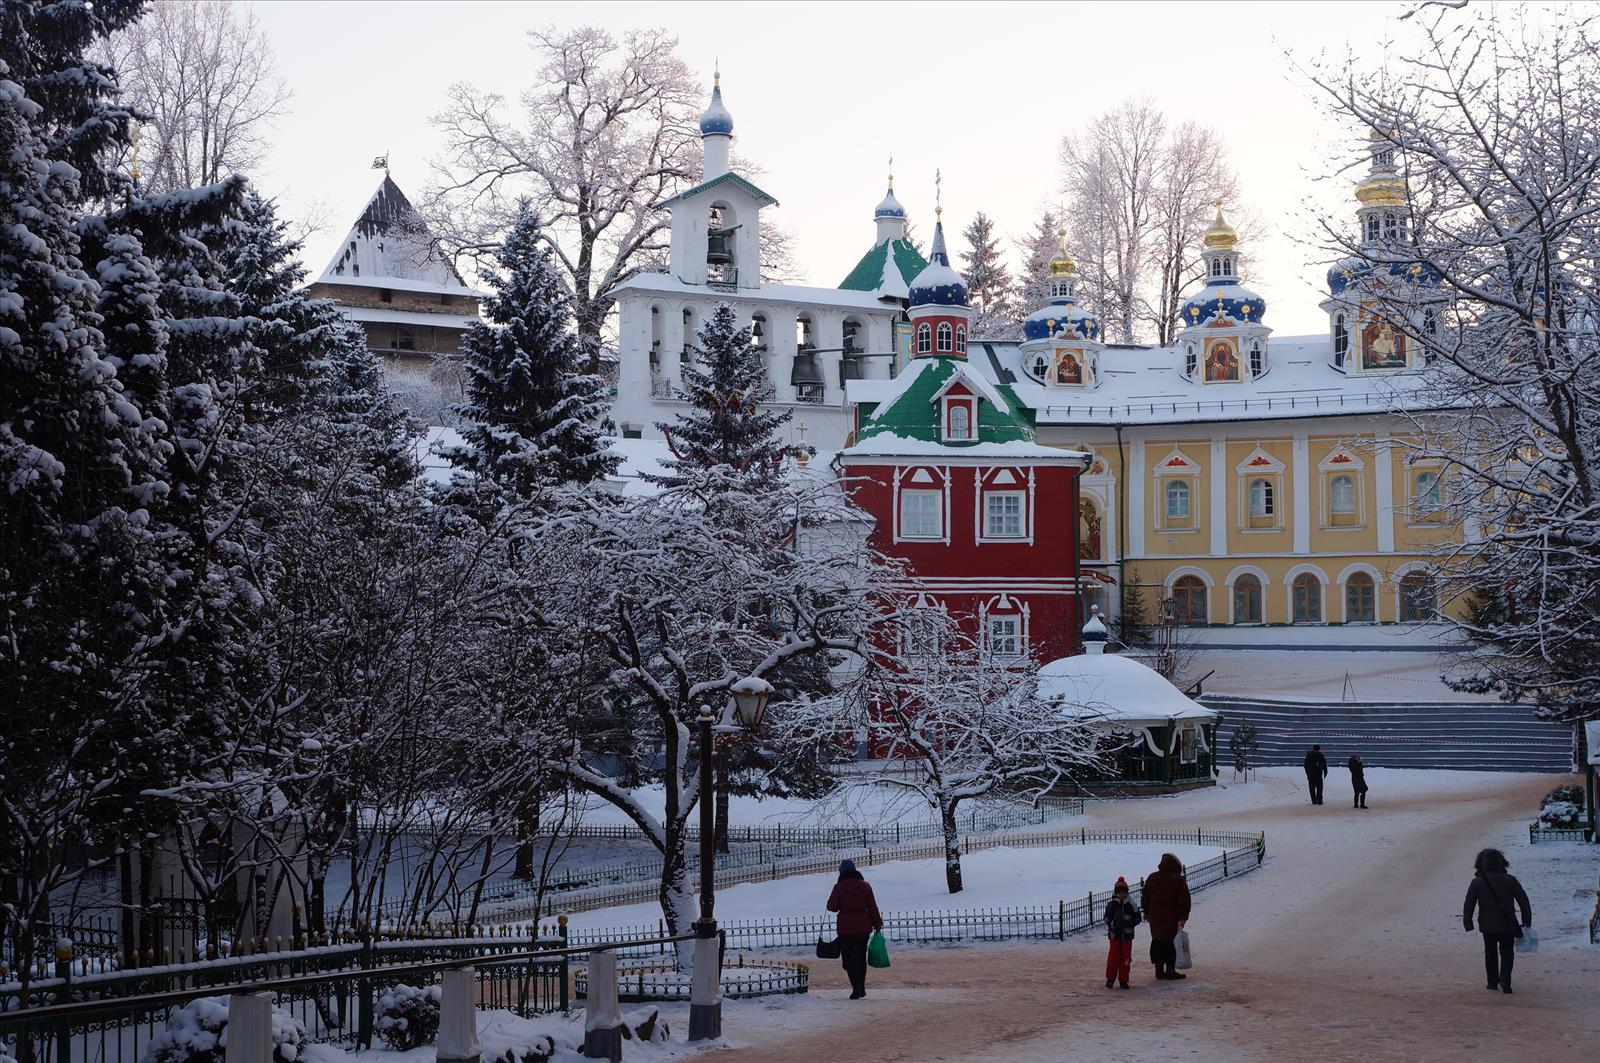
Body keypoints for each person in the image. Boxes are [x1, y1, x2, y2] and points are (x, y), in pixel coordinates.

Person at [1463, 848, 1532, 994]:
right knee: (1507, 952)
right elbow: (1523, 901)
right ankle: (1505, 979)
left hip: (1487, 925)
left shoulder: (1477, 882)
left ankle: (1492, 982)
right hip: (1508, 923)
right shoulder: (1510, 880)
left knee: (1490, 952)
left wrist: (1468, 923)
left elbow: (1469, 904)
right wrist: (1526, 921)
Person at [826, 858, 883, 1000]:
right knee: (860, 958)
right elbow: (872, 906)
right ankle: (861, 987)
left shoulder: (838, 887)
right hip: (863, 927)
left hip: (845, 929)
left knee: (848, 959)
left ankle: (856, 988)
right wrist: (877, 924)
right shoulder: (865, 886)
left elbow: (832, 907)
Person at [1141, 853, 1191, 981]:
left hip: (1155, 917)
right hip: (1170, 917)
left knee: (1157, 941)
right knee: (1168, 943)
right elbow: (1184, 900)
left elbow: (1145, 897)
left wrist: (1146, 912)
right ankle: (1170, 970)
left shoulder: (1152, 877)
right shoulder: (1177, 880)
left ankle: (1159, 969)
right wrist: (1183, 916)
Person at [1103, 877, 1140, 989]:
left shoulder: (1131, 904)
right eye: (1119, 892)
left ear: (1126, 892)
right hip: (1115, 936)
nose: (1121, 894)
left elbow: (1138, 918)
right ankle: (1110, 979)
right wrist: (1115, 924)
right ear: (1116, 892)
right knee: (1113, 958)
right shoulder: (1112, 905)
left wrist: (1129, 923)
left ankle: (1123, 980)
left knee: (1126, 959)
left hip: (1127, 936)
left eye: (1124, 892)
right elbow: (1106, 919)